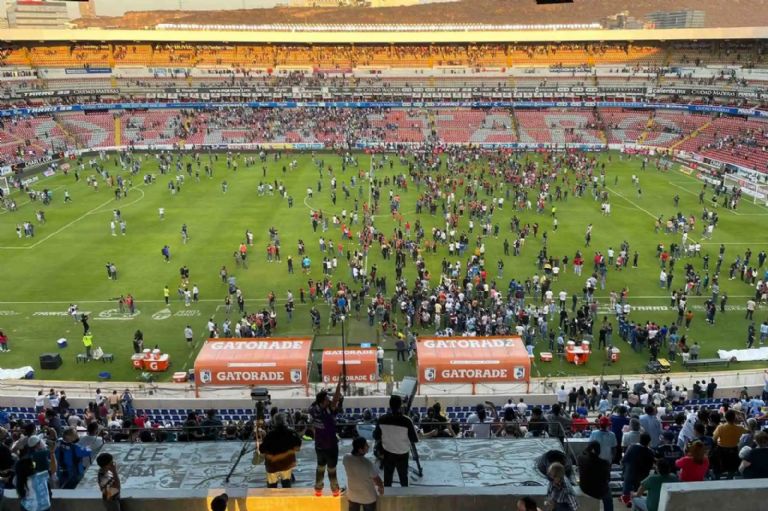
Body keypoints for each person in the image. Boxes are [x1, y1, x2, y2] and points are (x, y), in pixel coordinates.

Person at [373, 394, 419, 487]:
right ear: (401, 405)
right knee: (403, 477)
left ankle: (387, 496)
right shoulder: (407, 421)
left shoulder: (382, 419)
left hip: (388, 453)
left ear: (390, 405)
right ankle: (404, 494)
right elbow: (414, 439)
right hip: (403, 453)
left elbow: (376, 436)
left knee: (388, 477)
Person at [309, 381, 343, 496]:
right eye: (327, 400)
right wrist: (339, 383)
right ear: (323, 402)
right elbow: (336, 399)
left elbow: (319, 402)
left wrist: (322, 395)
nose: (329, 401)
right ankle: (335, 491)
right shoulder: (328, 412)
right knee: (331, 469)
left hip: (319, 446)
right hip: (331, 446)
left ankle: (318, 490)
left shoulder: (313, 409)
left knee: (320, 467)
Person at [259, 412, 302, 488]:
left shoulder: (270, 435)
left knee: (272, 487)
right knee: (286, 485)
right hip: (286, 464)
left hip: (272, 465)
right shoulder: (291, 433)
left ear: (274, 422)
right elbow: (298, 447)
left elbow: (262, 450)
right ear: (285, 421)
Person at [342, 437, 384, 511]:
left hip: (352, 496)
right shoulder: (367, 463)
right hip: (368, 498)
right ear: (360, 450)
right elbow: (377, 480)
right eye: (366, 445)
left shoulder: (346, 458)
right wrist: (381, 487)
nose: (368, 446)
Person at [621, 432, 655, 506]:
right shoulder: (650, 452)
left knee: (627, 487)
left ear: (639, 439)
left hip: (629, 473)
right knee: (637, 490)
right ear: (649, 442)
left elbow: (624, 460)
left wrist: (624, 468)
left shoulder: (632, 447)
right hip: (642, 475)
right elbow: (650, 465)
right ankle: (634, 501)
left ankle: (627, 500)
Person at [577, 441, 613, 511]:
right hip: (599, 491)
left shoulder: (580, 459)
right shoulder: (604, 463)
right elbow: (608, 479)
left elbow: (583, 453)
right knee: (608, 499)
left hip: (585, 487)